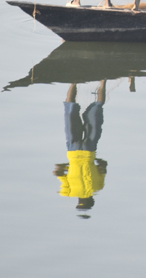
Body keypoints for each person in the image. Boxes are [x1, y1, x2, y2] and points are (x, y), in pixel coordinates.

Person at [54, 82, 108, 218]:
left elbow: (103, 166)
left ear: (92, 199)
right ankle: (74, 82)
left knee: (97, 109)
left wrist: (97, 160)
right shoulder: (68, 191)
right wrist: (70, 166)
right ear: (79, 200)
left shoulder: (98, 187)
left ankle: (103, 81)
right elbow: (58, 170)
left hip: (89, 151)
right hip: (73, 151)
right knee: (69, 111)